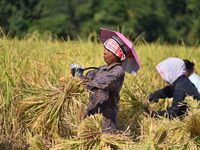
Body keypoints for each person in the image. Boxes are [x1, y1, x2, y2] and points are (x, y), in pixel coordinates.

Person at [70, 36, 126, 132]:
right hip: (92, 114)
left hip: (106, 119)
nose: (104, 52)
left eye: (109, 50)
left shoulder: (118, 71)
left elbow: (104, 83)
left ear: (117, 54)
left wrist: (82, 79)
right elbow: (88, 79)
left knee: (104, 143)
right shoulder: (100, 69)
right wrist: (77, 74)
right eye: (105, 49)